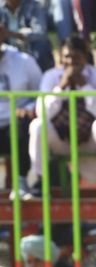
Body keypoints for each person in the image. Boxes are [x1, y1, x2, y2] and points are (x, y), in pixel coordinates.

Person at [25, 36, 96, 200]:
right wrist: (61, 87)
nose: (71, 62)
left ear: (86, 57)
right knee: (38, 125)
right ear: (61, 58)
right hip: (62, 140)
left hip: (89, 140)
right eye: (67, 57)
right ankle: (38, 182)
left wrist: (84, 86)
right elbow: (42, 113)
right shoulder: (51, 76)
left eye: (76, 57)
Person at [0, 41, 41, 200]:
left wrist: (29, 108)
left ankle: (20, 183)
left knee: (24, 123)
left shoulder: (25, 61)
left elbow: (40, 94)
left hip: (15, 125)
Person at [0, 0, 53, 70]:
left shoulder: (34, 5)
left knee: (41, 46)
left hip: (29, 51)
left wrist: (13, 34)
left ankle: (42, 76)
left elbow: (41, 33)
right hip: (5, 52)